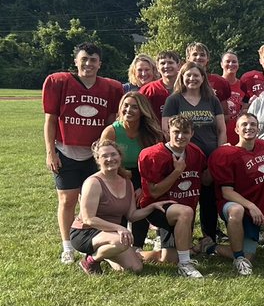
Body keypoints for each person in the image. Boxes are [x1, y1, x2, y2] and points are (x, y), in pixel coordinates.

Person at [44, 42, 124, 263]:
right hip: (66, 150)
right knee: (67, 200)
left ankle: (94, 240)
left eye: (93, 60)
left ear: (100, 64)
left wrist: (107, 153)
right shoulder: (59, 82)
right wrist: (50, 151)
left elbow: (110, 123)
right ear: (76, 61)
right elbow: (50, 120)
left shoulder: (110, 88)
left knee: (95, 202)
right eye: (84, 59)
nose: (88, 64)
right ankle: (67, 246)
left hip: (95, 154)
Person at [71, 140, 174, 274]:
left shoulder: (127, 182)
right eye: (104, 156)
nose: (110, 159)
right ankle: (91, 260)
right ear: (98, 160)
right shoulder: (93, 183)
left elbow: (132, 215)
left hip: (111, 234)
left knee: (135, 268)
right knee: (121, 242)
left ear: (120, 157)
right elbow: (88, 219)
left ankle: (105, 253)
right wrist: (119, 228)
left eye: (113, 154)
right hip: (86, 232)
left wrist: (152, 207)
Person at [204, 113, 264, 276]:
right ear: (236, 129)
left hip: (255, 210)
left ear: (258, 129)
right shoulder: (226, 154)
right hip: (233, 204)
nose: (249, 127)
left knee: (249, 256)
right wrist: (251, 206)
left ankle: (210, 247)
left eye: (253, 124)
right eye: (244, 124)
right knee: (237, 210)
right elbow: (227, 192)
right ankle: (238, 259)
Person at [137, 117, 206, 277]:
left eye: (185, 132)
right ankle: (185, 264)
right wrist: (177, 171)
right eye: (176, 132)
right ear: (168, 132)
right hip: (158, 208)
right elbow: (154, 192)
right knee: (185, 212)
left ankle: (134, 255)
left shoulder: (196, 152)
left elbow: (205, 177)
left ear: (192, 133)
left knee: (169, 258)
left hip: (182, 208)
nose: (180, 136)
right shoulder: (153, 154)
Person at [100, 92, 164, 257]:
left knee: (140, 202)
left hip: (142, 173)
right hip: (116, 172)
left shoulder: (152, 132)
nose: (129, 110)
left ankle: (137, 246)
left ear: (142, 111)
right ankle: (118, 245)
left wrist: (144, 187)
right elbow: (103, 160)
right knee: (119, 205)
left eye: (134, 107)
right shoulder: (111, 131)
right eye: (126, 105)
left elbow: (156, 164)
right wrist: (125, 184)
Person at [163, 62, 227, 156]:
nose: (192, 78)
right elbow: (166, 130)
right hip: (186, 156)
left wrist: (220, 153)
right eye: (188, 75)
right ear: (182, 77)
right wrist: (178, 153)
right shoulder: (173, 100)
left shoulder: (212, 100)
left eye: (196, 75)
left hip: (212, 154)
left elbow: (221, 130)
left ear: (202, 78)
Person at [138, 51, 180, 118]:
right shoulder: (148, 90)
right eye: (162, 63)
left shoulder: (187, 88)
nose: (166, 66)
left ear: (178, 66)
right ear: (157, 67)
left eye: (170, 62)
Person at [219, 51, 247, 145]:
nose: (231, 64)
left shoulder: (243, 85)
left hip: (239, 136)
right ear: (221, 64)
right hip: (220, 135)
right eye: (227, 61)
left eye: (234, 62)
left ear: (238, 65)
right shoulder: (216, 85)